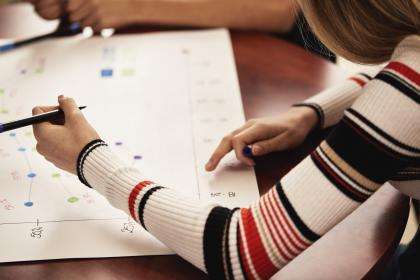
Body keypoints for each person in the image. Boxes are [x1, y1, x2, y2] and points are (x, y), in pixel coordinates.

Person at [31, 0, 419, 279]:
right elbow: (389, 78)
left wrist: (88, 159)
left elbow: (239, 251)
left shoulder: (405, 93)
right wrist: (309, 114)